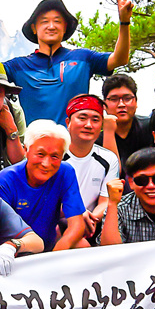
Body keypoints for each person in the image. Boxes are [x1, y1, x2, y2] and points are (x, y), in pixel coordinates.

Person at [0, 0, 132, 124]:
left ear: (65, 27)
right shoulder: (20, 65)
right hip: (34, 145)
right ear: (34, 28)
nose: (51, 26)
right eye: (44, 21)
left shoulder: (83, 58)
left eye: (57, 21)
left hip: (75, 145)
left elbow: (119, 59)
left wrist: (124, 22)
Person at [0, 120, 87, 250]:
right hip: (14, 249)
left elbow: (77, 225)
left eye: (55, 156)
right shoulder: (4, 181)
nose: (46, 164)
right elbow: (0, 232)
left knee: (82, 244)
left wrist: (56, 255)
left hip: (49, 248)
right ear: (26, 150)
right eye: (40, 154)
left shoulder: (65, 172)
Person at [63, 94, 121, 242]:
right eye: (82, 118)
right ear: (68, 122)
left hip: (92, 226)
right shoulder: (55, 155)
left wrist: (90, 219)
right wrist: (77, 215)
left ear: (101, 126)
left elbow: (105, 201)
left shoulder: (109, 159)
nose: (88, 125)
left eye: (95, 120)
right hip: (57, 222)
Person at [102, 73, 153, 168]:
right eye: (114, 99)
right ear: (104, 105)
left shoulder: (150, 127)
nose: (121, 104)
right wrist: (108, 132)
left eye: (127, 98)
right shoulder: (95, 137)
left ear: (136, 101)